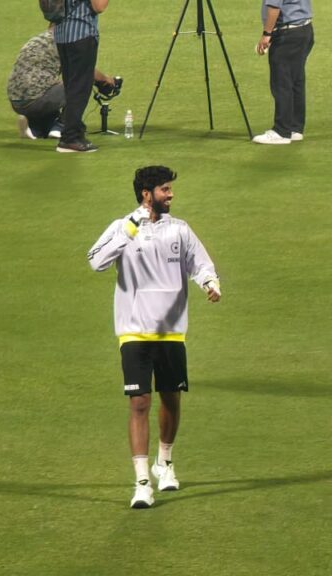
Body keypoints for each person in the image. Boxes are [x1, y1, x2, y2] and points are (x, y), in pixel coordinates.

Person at [87, 166, 222, 508]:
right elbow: (96, 261)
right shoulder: (123, 227)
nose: (171, 194)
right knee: (139, 402)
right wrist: (130, 228)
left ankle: (165, 462)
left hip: (172, 332)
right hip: (133, 329)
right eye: (165, 189)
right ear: (147, 194)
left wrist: (210, 283)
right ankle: (142, 481)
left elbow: (200, 263)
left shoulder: (180, 230)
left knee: (171, 399)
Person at [7, 23, 116, 140]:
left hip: (16, 100)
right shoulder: (63, 42)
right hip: (38, 99)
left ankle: (34, 129)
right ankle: (61, 126)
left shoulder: (37, 39)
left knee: (49, 87)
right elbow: (86, 70)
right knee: (81, 83)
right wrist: (107, 80)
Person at [253, 0, 314, 145]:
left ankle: (281, 131)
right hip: (304, 30)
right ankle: (295, 128)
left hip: (288, 34)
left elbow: (274, 7)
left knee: (282, 83)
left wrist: (267, 34)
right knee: (296, 81)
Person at [55, 0, 109, 153]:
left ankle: (75, 131)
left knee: (72, 87)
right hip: (81, 34)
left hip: (61, 36)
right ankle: (70, 138)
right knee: (79, 89)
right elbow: (99, 6)